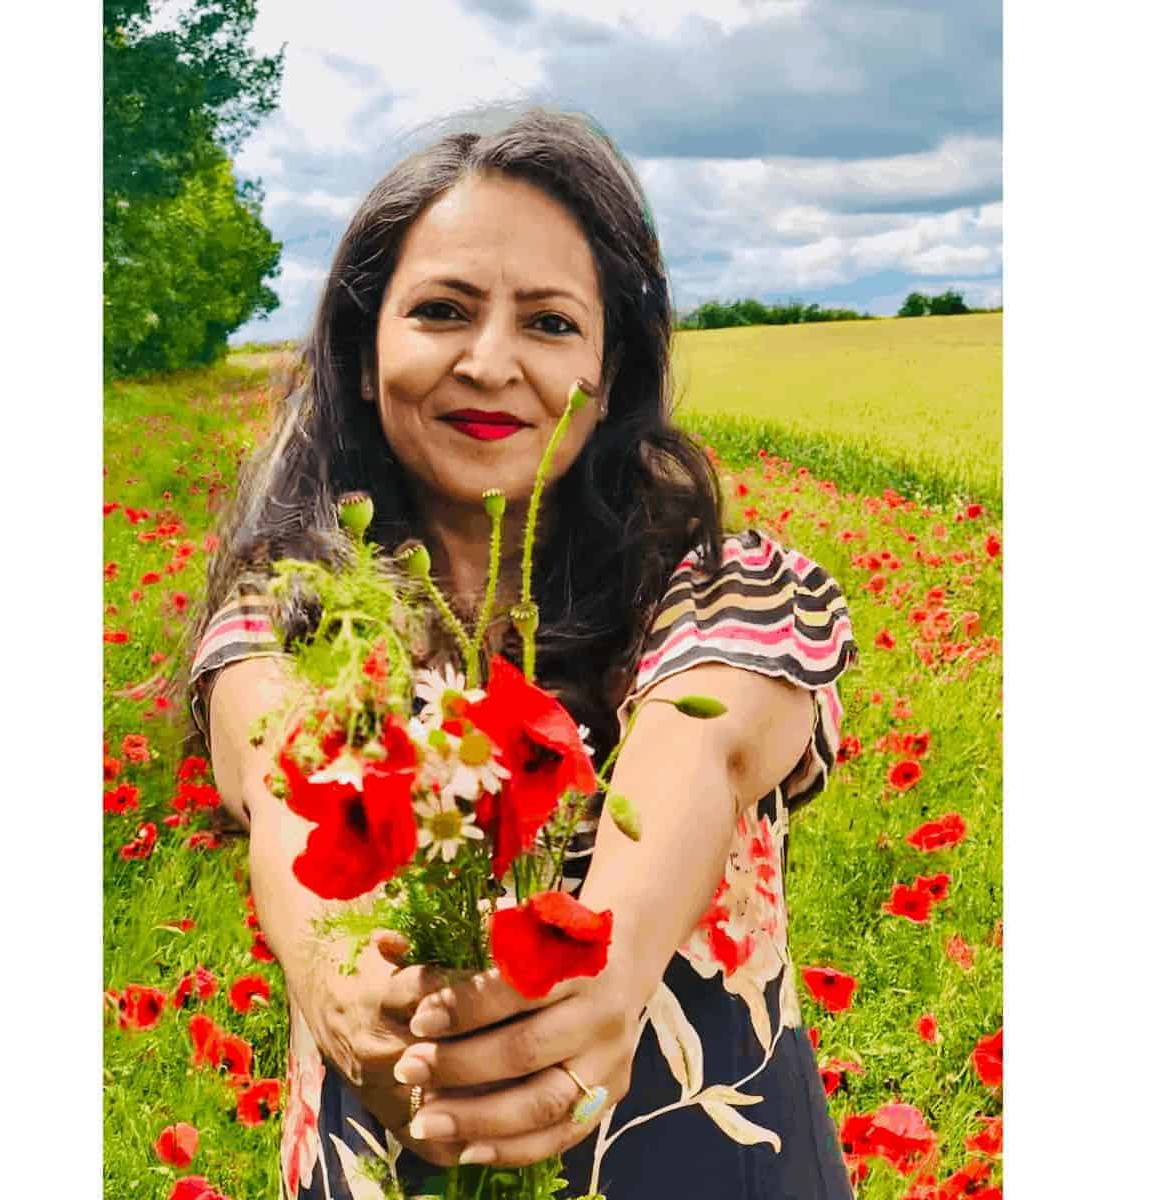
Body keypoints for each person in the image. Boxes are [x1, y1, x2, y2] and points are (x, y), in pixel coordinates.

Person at [188, 107, 859, 1200]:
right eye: (442, 311)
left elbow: (706, 748)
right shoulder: (290, 615)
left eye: (550, 324)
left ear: (609, 372)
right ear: (365, 358)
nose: (489, 362)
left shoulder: (728, 590)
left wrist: (604, 974)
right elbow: (283, 782)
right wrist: (355, 999)